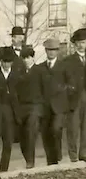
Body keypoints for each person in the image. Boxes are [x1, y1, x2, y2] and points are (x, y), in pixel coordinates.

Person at [39, 38, 70, 166]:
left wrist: (64, 93)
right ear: (46, 51)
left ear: (57, 51)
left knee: (56, 129)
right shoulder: (40, 68)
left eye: (54, 50)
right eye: (49, 50)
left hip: (59, 106)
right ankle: (50, 161)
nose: (51, 53)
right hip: (44, 106)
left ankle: (57, 154)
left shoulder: (64, 66)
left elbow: (71, 83)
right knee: (45, 133)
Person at [0, 47, 20, 172]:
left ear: (12, 62)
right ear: (0, 61)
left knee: (8, 144)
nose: (7, 64)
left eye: (9, 61)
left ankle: (3, 170)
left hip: (10, 113)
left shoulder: (16, 75)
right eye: (4, 61)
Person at [16, 47, 44, 169]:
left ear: (33, 58)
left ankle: (30, 161)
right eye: (24, 58)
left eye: (28, 57)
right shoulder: (19, 73)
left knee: (30, 132)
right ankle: (27, 158)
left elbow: (45, 89)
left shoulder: (39, 71)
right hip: (22, 107)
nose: (26, 60)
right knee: (22, 136)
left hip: (35, 106)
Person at [64, 28, 86, 162]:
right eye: (79, 42)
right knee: (73, 127)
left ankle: (83, 153)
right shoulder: (68, 61)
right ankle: (73, 155)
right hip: (74, 98)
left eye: (84, 42)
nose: (81, 45)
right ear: (74, 44)